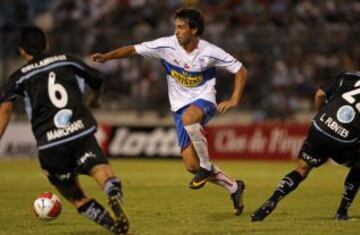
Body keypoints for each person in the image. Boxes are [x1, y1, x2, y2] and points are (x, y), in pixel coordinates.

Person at [91, 7, 248, 215]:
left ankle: (206, 166)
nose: (177, 31)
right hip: (179, 107)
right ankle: (234, 187)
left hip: (204, 100)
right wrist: (107, 57)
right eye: (176, 27)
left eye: (182, 27)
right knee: (191, 165)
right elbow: (133, 49)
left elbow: (240, 69)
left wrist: (234, 99)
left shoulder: (210, 52)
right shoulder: (166, 46)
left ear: (194, 29)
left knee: (190, 118)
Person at [0, 26, 129, 234]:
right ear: (47, 44)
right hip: (80, 130)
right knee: (100, 168)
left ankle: (112, 225)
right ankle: (112, 190)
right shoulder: (66, 59)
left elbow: (5, 109)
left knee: (76, 196)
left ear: (22, 50)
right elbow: (97, 78)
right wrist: (94, 100)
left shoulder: (18, 76)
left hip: (50, 142)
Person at [251, 71, 360, 222]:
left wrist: (321, 115)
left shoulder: (348, 76)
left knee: (301, 169)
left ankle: (272, 200)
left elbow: (320, 95)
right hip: (344, 139)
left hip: (320, 126)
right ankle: (341, 213)